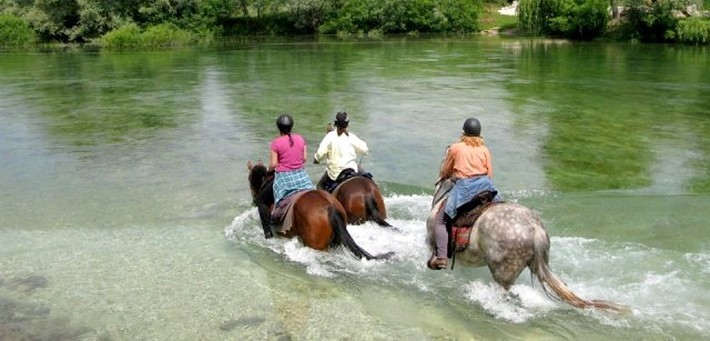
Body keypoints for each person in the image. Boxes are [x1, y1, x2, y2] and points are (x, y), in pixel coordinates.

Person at [428, 117, 500, 270]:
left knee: (440, 221)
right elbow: (489, 173)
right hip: (487, 187)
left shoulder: (456, 148)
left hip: (465, 188)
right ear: (479, 135)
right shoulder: (485, 150)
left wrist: (447, 176)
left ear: (463, 133)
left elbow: (446, 171)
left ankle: (441, 257)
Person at [268, 114, 314, 232]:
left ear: (278, 128)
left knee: (277, 206)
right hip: (301, 175)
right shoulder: (300, 138)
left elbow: (273, 164)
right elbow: (304, 159)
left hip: (284, 178)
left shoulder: (276, 143)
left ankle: (275, 222)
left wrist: (269, 171)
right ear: (291, 126)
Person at [313, 111, 369, 192]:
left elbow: (320, 153)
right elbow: (365, 149)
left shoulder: (330, 136)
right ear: (347, 124)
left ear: (335, 124)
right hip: (351, 168)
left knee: (319, 186)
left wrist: (316, 160)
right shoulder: (351, 136)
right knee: (367, 177)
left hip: (335, 173)